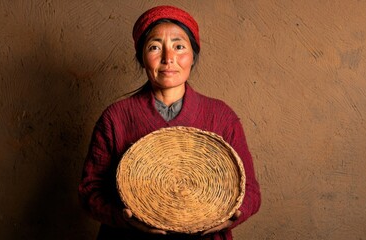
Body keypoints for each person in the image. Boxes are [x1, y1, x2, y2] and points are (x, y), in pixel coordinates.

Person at [78, 5, 261, 240]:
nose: (168, 58)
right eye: (155, 47)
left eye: (179, 46)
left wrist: (231, 215)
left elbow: (251, 192)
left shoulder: (221, 116)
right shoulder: (116, 118)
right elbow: (90, 190)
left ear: (193, 55)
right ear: (142, 57)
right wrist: (127, 220)